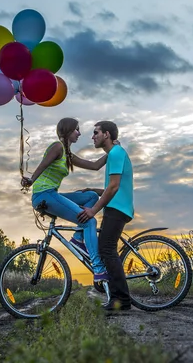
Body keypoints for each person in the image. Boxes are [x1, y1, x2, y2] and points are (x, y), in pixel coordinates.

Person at [21, 117, 109, 282]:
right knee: (89, 222)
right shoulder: (57, 147)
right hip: (44, 194)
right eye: (76, 129)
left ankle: (77, 238)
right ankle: (99, 270)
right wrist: (31, 181)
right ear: (68, 131)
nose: (79, 133)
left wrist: (112, 151)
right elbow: (42, 165)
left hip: (53, 193)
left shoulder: (68, 154)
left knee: (90, 196)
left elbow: (94, 166)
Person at [78, 120, 133, 311]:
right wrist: (94, 190)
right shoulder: (113, 154)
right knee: (106, 249)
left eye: (96, 132)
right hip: (117, 206)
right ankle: (117, 296)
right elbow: (112, 186)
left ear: (107, 134)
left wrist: (93, 210)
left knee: (107, 250)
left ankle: (121, 301)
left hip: (117, 208)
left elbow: (114, 186)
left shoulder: (116, 153)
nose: (93, 136)